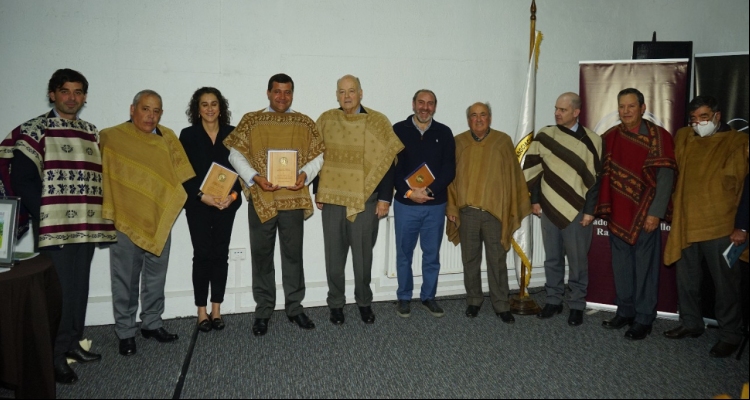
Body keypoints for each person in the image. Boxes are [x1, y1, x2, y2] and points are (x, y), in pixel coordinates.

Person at [0, 68, 117, 384]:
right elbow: (23, 180)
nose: (72, 98)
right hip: (55, 228)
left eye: (78, 92)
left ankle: (73, 343)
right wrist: (48, 215)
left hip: (88, 226)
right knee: (60, 292)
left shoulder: (92, 132)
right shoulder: (35, 130)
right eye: (65, 91)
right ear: (52, 93)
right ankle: (52, 357)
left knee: (79, 288)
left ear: (85, 97)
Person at [225, 73, 325, 336]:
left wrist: (305, 174)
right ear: (268, 93)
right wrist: (254, 178)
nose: (282, 97)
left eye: (287, 92)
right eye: (277, 91)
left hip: (292, 200)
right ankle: (263, 310)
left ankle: (295, 307)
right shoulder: (252, 120)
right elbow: (235, 153)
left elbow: (318, 155)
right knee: (262, 256)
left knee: (293, 256)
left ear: (293, 94)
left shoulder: (304, 123)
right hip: (262, 199)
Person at [100, 90, 196, 356]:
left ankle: (152, 323)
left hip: (158, 218)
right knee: (125, 279)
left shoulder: (168, 138)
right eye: (145, 109)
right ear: (132, 109)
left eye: (156, 111)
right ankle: (126, 331)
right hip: (125, 220)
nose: (150, 116)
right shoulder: (111, 137)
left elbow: (181, 177)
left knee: (156, 276)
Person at [662, 96, 749, 357]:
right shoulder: (684, 137)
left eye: (704, 117)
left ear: (717, 116)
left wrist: (742, 227)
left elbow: (746, 187)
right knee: (686, 279)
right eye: (694, 118)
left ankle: (730, 334)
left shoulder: (738, 142)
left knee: (725, 285)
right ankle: (691, 323)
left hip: (721, 225)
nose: (698, 123)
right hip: (686, 221)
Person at [315, 75, 403, 325]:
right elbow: (316, 155)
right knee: (334, 257)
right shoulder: (327, 120)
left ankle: (364, 302)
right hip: (332, 200)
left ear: (361, 93)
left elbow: (388, 163)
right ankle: (336, 304)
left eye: (351, 91)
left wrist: (385, 198)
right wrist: (317, 190)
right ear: (336, 95)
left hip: (367, 201)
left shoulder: (377, 121)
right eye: (341, 92)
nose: (346, 96)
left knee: (363, 257)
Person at [596, 88, 676, 340]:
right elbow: (601, 175)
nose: (626, 111)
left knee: (645, 268)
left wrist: (655, 213)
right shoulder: (609, 136)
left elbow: (666, 178)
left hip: (645, 215)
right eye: (622, 107)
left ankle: (643, 318)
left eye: (631, 106)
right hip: (618, 213)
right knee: (621, 267)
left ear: (642, 108)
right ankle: (625, 311)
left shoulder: (658, 136)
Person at [446, 102, 531, 323]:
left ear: (490, 118)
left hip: (495, 214)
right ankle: (474, 301)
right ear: (468, 120)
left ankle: (501, 304)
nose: (478, 119)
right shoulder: (459, 142)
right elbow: (450, 180)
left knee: (497, 260)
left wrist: (512, 207)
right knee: (470, 260)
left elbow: (513, 178)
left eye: (483, 115)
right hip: (468, 213)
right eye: (473, 115)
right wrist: (452, 207)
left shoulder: (502, 142)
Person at [523, 92, 602, 326]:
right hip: (548, 206)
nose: (557, 113)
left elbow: (596, 180)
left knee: (578, 260)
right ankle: (553, 300)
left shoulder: (592, 140)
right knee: (553, 258)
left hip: (578, 210)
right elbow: (534, 171)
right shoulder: (545, 135)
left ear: (576, 112)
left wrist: (590, 211)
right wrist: (535, 200)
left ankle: (577, 304)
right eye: (556, 108)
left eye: (563, 110)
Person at [180, 87, 242, 333]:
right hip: (198, 205)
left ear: (221, 107)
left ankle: (217, 309)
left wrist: (233, 196)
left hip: (227, 204)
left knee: (220, 254)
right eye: (204, 104)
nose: (209, 109)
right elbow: (183, 174)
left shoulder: (232, 134)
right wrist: (201, 196)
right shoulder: (187, 135)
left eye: (213, 103)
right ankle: (201, 311)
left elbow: (241, 170)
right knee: (202, 254)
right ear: (197, 108)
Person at [392, 89, 455, 318]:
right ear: (413, 104)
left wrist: (428, 190)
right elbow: (393, 168)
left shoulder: (444, 132)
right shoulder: (398, 130)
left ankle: (429, 297)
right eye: (421, 102)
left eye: (430, 104)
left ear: (435, 107)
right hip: (406, 205)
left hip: (434, 205)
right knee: (404, 254)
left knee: (431, 255)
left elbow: (449, 169)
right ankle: (404, 297)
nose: (425, 107)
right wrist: (409, 193)